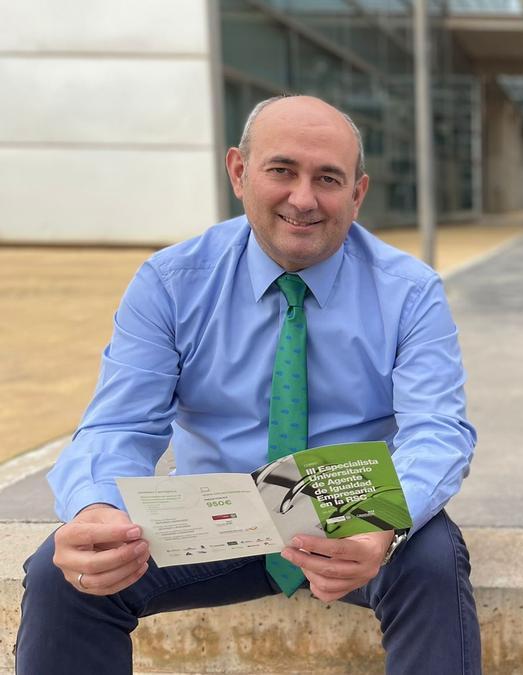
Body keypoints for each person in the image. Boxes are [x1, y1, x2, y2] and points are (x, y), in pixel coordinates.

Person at [16, 95, 481, 674]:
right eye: (282, 171)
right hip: (215, 507)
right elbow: (119, 424)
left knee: (432, 561)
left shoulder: (409, 291)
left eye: (328, 179)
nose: (304, 199)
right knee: (65, 575)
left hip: (346, 503)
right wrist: (94, 507)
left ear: (357, 195)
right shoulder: (170, 283)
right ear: (239, 172)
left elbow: (438, 430)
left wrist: (382, 526)